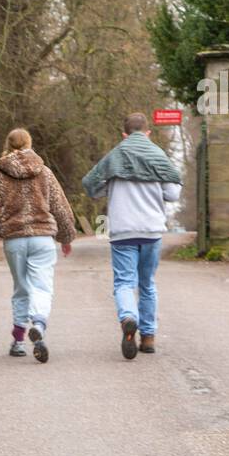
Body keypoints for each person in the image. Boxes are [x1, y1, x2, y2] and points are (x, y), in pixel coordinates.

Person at [81, 112, 182, 359]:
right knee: (147, 284)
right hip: (151, 230)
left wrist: (114, 185)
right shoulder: (159, 157)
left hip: (122, 231)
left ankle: (128, 317)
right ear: (148, 133)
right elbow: (173, 194)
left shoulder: (114, 159)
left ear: (124, 135)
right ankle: (148, 337)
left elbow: (93, 188)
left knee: (124, 282)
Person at [0, 128, 77, 363]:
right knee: (42, 287)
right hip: (42, 238)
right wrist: (66, 237)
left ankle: (19, 340)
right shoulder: (45, 172)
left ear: (8, 145)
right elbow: (60, 206)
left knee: (21, 288)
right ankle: (38, 323)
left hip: (14, 239)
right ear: (30, 143)